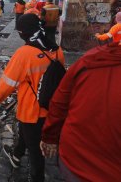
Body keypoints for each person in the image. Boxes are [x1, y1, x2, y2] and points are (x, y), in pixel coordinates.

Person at [0, 14, 64, 182]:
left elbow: (6, 86)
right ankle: (16, 155)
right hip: (51, 108)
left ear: (23, 33)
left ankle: (37, 178)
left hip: (32, 112)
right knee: (24, 133)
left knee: (35, 153)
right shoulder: (56, 49)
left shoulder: (24, 54)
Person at [40, 42, 121, 181]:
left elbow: (59, 102)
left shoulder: (92, 59)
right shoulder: (92, 59)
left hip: (75, 159)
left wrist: (50, 137)